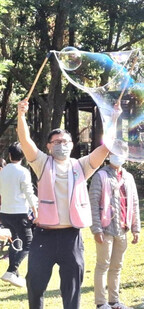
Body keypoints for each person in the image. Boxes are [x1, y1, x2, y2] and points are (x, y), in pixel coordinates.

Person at [17, 99, 110, 309]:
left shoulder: (81, 166)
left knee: (72, 288)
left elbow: (104, 149)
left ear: (72, 145)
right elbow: (25, 141)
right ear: (49, 147)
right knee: (35, 284)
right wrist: (21, 116)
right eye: (57, 142)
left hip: (71, 237)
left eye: (66, 141)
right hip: (44, 236)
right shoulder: (41, 163)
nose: (62, 145)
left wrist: (113, 119)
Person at [89, 153, 140, 309]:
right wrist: (97, 229)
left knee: (117, 266)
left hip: (123, 228)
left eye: (121, 154)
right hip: (105, 229)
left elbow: (134, 203)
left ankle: (114, 301)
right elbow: (93, 204)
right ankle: (101, 302)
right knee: (103, 265)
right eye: (115, 153)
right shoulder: (101, 176)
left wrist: (135, 227)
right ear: (109, 155)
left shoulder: (128, 177)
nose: (118, 157)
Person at [0, 142, 38, 287]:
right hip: (19, 212)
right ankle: (11, 270)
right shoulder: (23, 172)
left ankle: (14, 275)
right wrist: (35, 210)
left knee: (15, 241)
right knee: (28, 244)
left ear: (9, 155)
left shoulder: (3, 171)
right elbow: (29, 192)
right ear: (24, 156)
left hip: (5, 212)